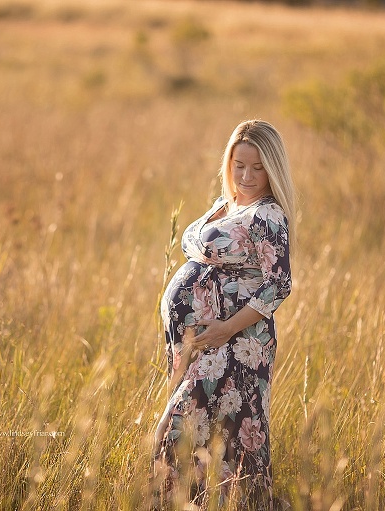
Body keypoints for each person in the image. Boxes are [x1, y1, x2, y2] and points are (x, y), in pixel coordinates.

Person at [151, 120, 296, 509]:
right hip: (208, 346)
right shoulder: (226, 205)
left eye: (257, 167)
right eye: (238, 164)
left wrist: (225, 330)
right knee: (211, 443)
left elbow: (279, 284)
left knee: (182, 433)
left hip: (237, 347)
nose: (246, 176)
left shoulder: (269, 217)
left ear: (273, 169)